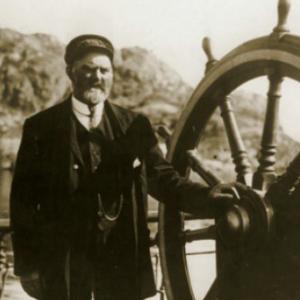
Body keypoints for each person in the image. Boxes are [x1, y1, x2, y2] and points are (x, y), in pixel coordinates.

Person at [10, 34, 239, 300]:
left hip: (120, 257)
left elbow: (164, 179)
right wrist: (27, 267)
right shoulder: (41, 128)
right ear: (70, 72)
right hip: (65, 261)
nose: (96, 76)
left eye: (104, 70)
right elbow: (23, 202)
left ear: (112, 76)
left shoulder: (135, 126)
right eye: (87, 69)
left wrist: (207, 197)